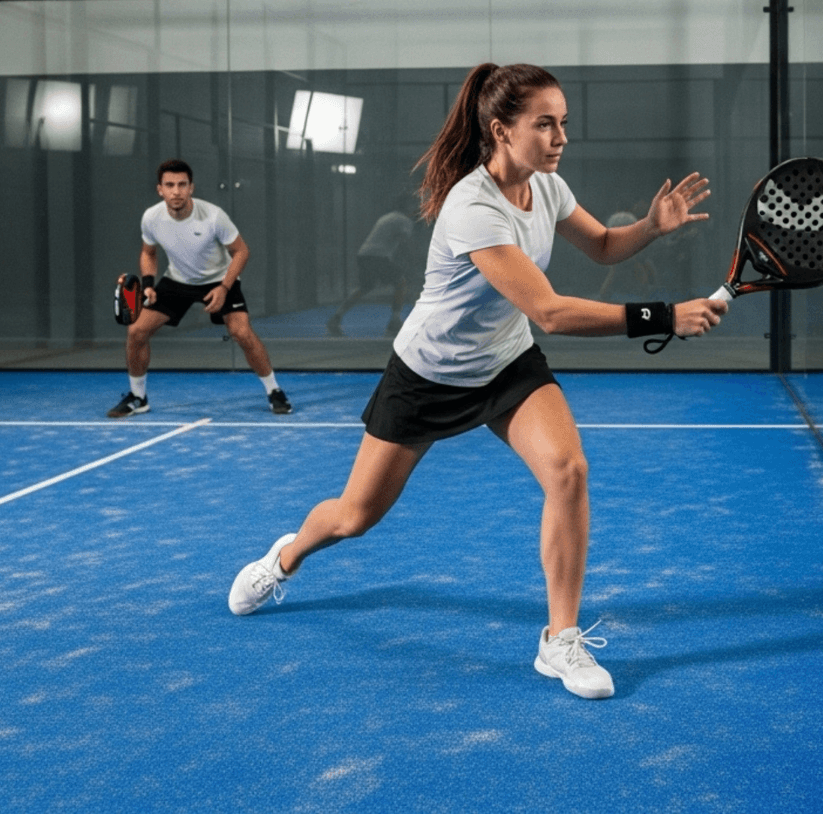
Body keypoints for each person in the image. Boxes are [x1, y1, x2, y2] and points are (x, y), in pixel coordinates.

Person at [226, 62, 728, 699]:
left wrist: (650, 228)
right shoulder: (471, 208)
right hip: (428, 374)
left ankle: (560, 640)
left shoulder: (547, 187)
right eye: (543, 124)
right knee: (355, 517)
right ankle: (285, 558)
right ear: (501, 130)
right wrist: (664, 315)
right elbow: (549, 310)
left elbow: (601, 245)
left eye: (563, 123)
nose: (559, 137)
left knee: (568, 470)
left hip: (507, 362)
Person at [107, 159, 291, 417]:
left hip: (219, 279)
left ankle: (274, 391)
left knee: (241, 333)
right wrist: (148, 285)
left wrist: (225, 287)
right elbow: (148, 253)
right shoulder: (152, 217)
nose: (176, 191)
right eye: (169, 185)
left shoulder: (213, 216)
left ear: (191, 187)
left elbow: (241, 252)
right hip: (177, 280)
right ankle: (138, 397)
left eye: (182, 184)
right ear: (160, 189)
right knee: (136, 331)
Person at [326, 207, 417, 337]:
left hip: (364, 255)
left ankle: (336, 318)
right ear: (408, 206)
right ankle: (395, 323)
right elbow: (403, 240)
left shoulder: (386, 217)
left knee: (366, 287)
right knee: (400, 282)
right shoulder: (405, 220)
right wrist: (412, 262)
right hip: (378, 257)